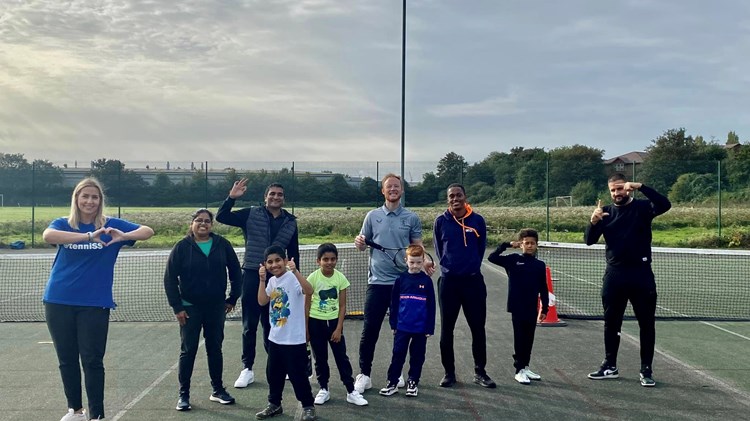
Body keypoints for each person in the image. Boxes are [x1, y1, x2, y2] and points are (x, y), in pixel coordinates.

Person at [42, 178, 154, 421]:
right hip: (58, 300)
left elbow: (147, 231)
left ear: (100, 201)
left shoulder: (111, 225)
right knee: (66, 359)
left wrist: (123, 235)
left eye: (95, 197)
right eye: (85, 197)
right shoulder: (63, 224)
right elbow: (48, 235)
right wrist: (88, 236)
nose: (90, 201)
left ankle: (97, 416)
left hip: (94, 304)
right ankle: (76, 411)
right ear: (76, 199)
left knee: (92, 360)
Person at [584, 173, 671, 387]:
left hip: (641, 275)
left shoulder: (642, 208)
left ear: (628, 188)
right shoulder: (605, 213)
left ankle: (646, 370)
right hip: (614, 276)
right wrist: (593, 222)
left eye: (620, 188)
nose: (616, 193)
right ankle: (609, 366)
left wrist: (642, 186)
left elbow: (665, 204)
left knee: (647, 325)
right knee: (611, 323)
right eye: (613, 190)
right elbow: (588, 241)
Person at [352, 173, 433, 394]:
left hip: (404, 284)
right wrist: (359, 242)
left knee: (401, 330)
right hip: (377, 282)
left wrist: (425, 263)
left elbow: (417, 247)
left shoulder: (411, 218)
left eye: (397, 186)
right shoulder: (372, 216)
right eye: (389, 187)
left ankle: (395, 374)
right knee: (370, 330)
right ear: (383, 191)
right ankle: (365, 375)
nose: (393, 190)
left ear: (402, 190)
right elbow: (362, 244)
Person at [216, 179, 300, 388]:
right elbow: (221, 216)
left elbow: (294, 253)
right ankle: (247, 368)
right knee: (249, 325)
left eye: (279, 194)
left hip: (279, 279)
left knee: (274, 323)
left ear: (283, 198)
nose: (276, 197)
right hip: (253, 275)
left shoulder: (290, 222)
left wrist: (296, 278)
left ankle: (278, 366)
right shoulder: (250, 214)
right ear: (265, 197)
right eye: (272, 194)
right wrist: (232, 197)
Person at [164, 208, 242, 411]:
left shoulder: (222, 245)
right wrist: (177, 307)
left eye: (207, 221)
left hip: (216, 307)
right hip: (190, 309)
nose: (203, 224)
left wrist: (232, 298)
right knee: (188, 350)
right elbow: (170, 279)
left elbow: (235, 272)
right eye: (199, 220)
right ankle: (184, 395)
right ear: (192, 224)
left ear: (212, 225)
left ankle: (217, 390)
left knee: (214, 349)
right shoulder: (181, 247)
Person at [433, 183, 495, 388]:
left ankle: (480, 372)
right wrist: (451, 269)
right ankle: (449, 373)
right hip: (449, 283)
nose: (455, 199)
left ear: (465, 197)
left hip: (473, 282)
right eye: (451, 196)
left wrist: (470, 267)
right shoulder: (441, 221)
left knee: (478, 328)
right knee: (447, 330)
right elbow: (439, 250)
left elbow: (480, 248)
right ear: (447, 199)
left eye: (458, 195)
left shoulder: (477, 220)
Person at [255, 246, 316, 421]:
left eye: (278, 260)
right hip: (275, 339)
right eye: (270, 262)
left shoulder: (292, 278)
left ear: (285, 260)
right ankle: (274, 404)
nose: (274, 265)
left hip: (294, 340)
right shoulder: (272, 281)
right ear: (265, 265)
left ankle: (308, 406)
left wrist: (295, 271)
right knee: (273, 374)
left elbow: (309, 290)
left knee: (298, 375)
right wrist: (261, 280)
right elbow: (262, 301)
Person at [306, 243, 369, 406]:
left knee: (341, 357)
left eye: (333, 259)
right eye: (325, 259)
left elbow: (342, 306)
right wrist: (306, 329)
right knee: (320, 358)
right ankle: (323, 389)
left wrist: (338, 328)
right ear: (318, 261)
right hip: (315, 323)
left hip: (334, 324)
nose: (329, 262)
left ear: (336, 260)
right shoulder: (312, 278)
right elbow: (306, 305)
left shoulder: (340, 278)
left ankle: (350, 390)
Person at [487, 228, 549, 385]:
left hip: (531, 307)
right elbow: (492, 257)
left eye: (532, 243)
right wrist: (507, 244)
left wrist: (545, 308)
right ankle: (518, 370)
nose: (529, 246)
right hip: (517, 306)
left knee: (529, 339)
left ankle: (525, 366)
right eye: (526, 243)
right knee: (520, 338)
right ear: (521, 244)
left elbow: (543, 287)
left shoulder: (540, 265)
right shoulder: (513, 260)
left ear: (536, 245)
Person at [379, 245, 436, 398]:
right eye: (412, 262)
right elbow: (394, 304)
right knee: (398, 355)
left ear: (423, 261)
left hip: (420, 328)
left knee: (417, 356)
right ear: (406, 261)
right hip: (402, 327)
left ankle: (413, 382)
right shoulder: (400, 280)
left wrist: (429, 328)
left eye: (418, 262)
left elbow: (431, 306)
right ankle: (392, 383)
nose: (415, 266)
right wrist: (393, 324)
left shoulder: (427, 281)